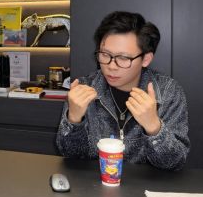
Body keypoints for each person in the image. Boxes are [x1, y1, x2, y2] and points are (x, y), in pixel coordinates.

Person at [56, 11, 189, 170]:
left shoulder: (168, 92)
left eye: (123, 58)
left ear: (146, 59)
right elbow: (69, 155)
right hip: (94, 182)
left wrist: (154, 127)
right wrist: (74, 120)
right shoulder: (84, 88)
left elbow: (175, 162)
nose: (111, 66)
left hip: (147, 184)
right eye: (105, 55)